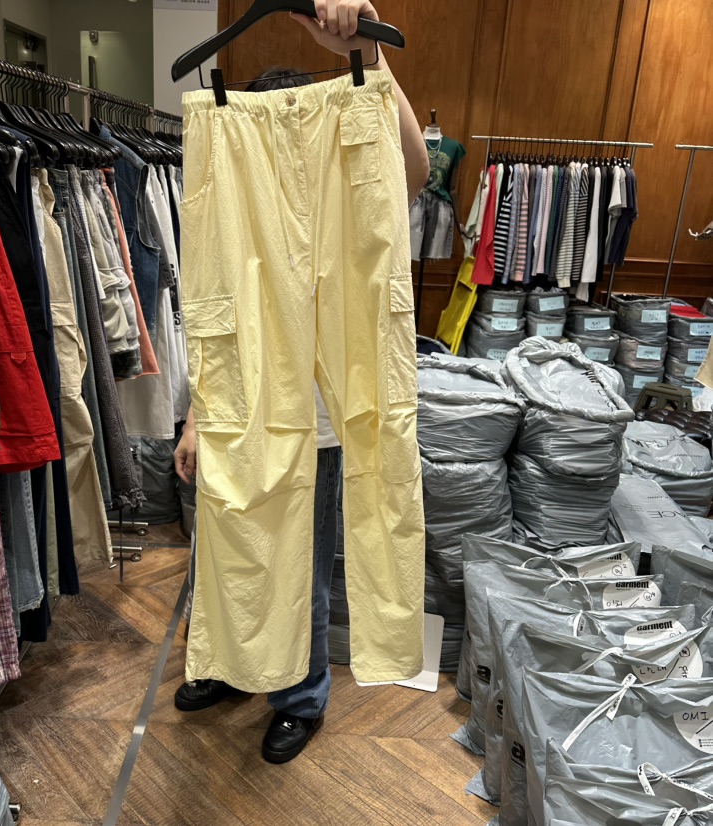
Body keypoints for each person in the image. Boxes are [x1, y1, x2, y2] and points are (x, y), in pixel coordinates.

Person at [173, 0, 430, 764]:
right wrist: (195, 419)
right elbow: (214, 315)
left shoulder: (353, 171)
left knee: (303, 564)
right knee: (229, 542)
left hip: (319, 421)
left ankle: (301, 695)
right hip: (241, 403)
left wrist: (372, 62)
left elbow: (414, 168)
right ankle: (233, 664)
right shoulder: (229, 167)